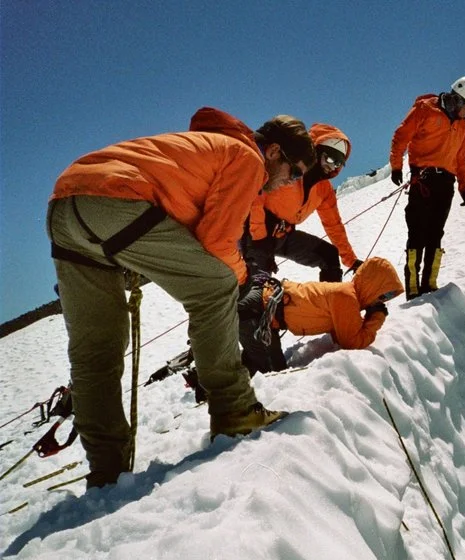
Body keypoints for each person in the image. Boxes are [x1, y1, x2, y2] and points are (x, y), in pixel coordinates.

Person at [46, 107, 316, 488]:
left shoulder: (207, 148)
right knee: (217, 286)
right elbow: (217, 242)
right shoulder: (246, 158)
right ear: (273, 153)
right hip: (116, 200)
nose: (290, 183)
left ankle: (107, 470)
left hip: (65, 205)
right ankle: (236, 410)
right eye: (296, 172)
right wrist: (242, 279)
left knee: (97, 349)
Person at [389, 76, 465, 300]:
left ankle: (429, 284)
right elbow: (401, 137)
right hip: (423, 180)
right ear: (460, 100)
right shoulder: (425, 109)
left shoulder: (462, 126)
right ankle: (412, 287)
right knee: (417, 233)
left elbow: (461, 158)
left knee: (435, 234)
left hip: (446, 184)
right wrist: (396, 166)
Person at [237, 257, 404, 375]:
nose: (383, 300)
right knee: (273, 378)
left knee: (251, 368)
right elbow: (352, 342)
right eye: (384, 295)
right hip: (257, 312)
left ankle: (214, 393)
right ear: (372, 287)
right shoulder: (347, 297)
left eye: (388, 296)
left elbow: (343, 334)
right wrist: (377, 316)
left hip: (263, 311)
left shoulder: (346, 295)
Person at [244, 123, 362, 283]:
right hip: (253, 233)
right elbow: (255, 198)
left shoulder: (324, 189)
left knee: (329, 255)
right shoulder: (287, 168)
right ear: (316, 149)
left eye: (338, 163)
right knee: (258, 285)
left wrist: (351, 260)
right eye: (329, 158)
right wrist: (260, 240)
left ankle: (331, 303)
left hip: (283, 236)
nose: (331, 166)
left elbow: (334, 226)